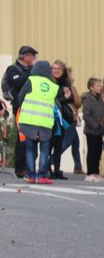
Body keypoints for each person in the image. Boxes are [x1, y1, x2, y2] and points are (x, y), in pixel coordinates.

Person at [16, 61, 58, 184]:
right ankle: (42, 176)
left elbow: (20, 96)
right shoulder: (53, 86)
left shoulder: (31, 81)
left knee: (30, 149)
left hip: (29, 121)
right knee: (45, 150)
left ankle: (31, 175)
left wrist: (25, 106)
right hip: (45, 122)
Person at [2, 45, 38, 178]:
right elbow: (17, 82)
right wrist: (32, 71)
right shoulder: (13, 69)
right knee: (22, 137)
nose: (34, 58)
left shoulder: (30, 70)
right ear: (25, 56)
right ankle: (20, 168)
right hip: (20, 107)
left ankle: (30, 166)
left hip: (32, 106)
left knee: (32, 137)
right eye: (32, 56)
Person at [49, 60, 77, 180]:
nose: (56, 71)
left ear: (63, 71)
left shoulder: (65, 83)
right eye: (54, 68)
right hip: (52, 116)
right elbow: (52, 100)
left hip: (63, 118)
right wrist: (65, 98)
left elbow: (71, 99)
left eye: (58, 69)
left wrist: (67, 97)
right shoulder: (49, 82)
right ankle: (48, 169)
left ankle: (57, 169)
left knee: (59, 144)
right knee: (49, 144)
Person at [81, 78, 104, 182]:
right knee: (92, 151)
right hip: (91, 130)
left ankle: (96, 172)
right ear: (91, 88)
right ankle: (90, 172)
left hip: (100, 130)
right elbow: (86, 115)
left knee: (98, 152)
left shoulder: (100, 100)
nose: (100, 88)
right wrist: (95, 124)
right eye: (97, 86)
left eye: (100, 86)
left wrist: (103, 123)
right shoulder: (88, 99)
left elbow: (103, 113)